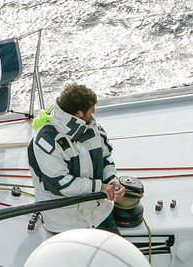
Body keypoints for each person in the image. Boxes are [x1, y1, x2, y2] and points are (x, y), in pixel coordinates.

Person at [27, 83, 124, 232]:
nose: (94, 112)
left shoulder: (94, 128)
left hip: (99, 214)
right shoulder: (46, 140)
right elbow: (60, 183)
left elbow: (106, 159)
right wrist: (100, 187)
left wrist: (112, 181)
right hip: (65, 223)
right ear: (78, 113)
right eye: (91, 110)